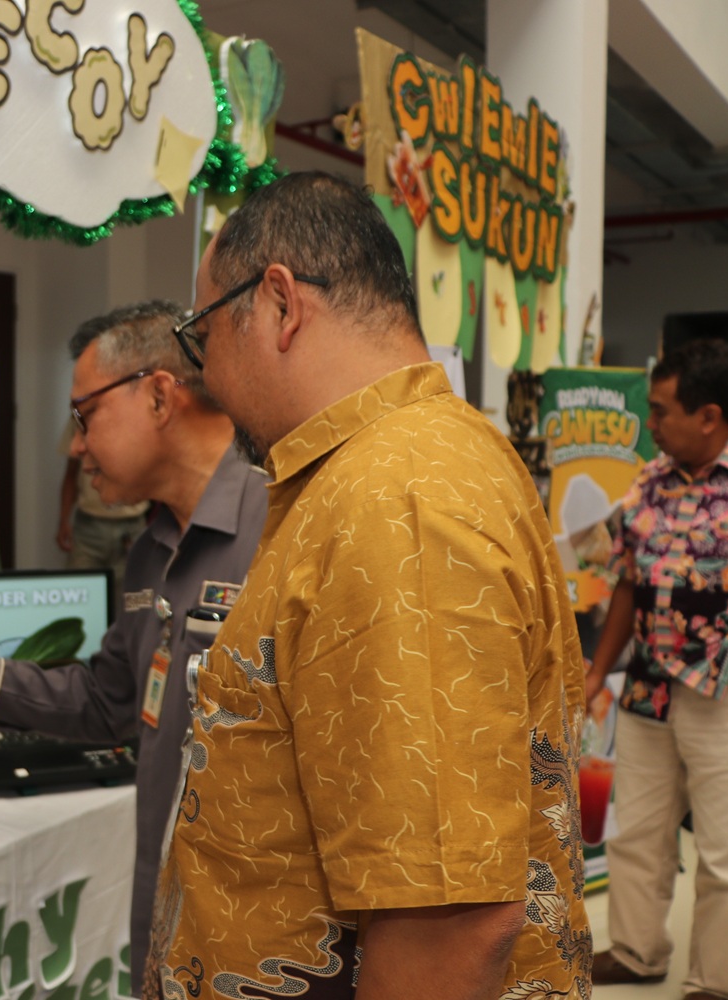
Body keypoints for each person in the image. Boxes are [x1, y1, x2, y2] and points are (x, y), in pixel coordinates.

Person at [146, 172, 588, 999]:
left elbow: (452, 923)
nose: (207, 376)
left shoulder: (398, 501)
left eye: (203, 336)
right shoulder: (403, 463)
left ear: (280, 304)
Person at [0, 300, 268, 979]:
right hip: (166, 938)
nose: (75, 447)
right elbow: (107, 702)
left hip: (263, 955)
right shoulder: (150, 554)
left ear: (159, 395)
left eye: (85, 414)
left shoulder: (284, 528)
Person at [584, 338, 728, 1000]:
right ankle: (636, 951)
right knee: (638, 832)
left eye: (661, 410)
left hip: (723, 695)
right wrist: (597, 672)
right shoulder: (651, 479)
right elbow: (627, 581)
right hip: (648, 688)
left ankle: (717, 981)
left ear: (708, 416)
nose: (650, 423)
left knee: (726, 852)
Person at [56, 415, 150, 599]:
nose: (78, 448)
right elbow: (70, 473)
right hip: (89, 525)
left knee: (131, 599)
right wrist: (63, 519)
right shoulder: (79, 415)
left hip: (131, 527)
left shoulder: (138, 416)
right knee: (81, 595)